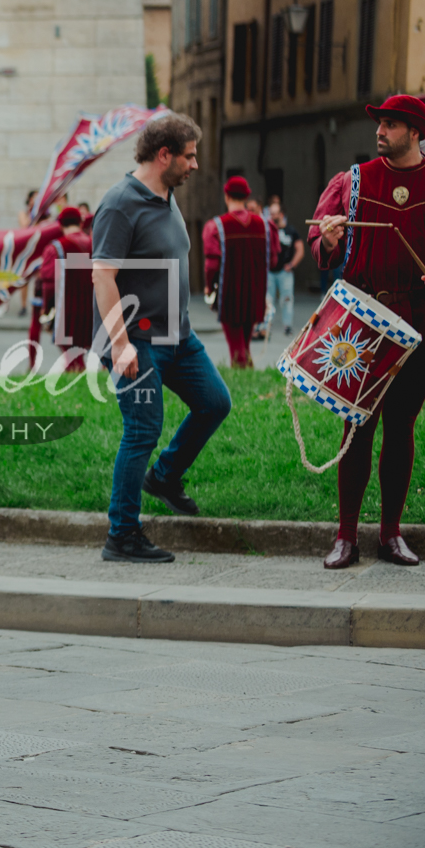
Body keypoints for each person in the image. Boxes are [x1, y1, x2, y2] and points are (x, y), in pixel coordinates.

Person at [92, 113, 230, 563]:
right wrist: (120, 343)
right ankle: (122, 534)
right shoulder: (119, 203)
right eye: (188, 156)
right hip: (137, 340)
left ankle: (166, 477)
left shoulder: (167, 194)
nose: (194, 165)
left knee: (215, 402)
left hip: (178, 337)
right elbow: (102, 276)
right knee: (142, 431)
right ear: (163, 154)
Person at [309, 94, 425, 570]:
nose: (380, 131)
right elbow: (318, 238)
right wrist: (327, 238)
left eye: (391, 124)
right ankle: (345, 537)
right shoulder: (353, 180)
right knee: (356, 426)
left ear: (416, 133)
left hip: (420, 324)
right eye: (380, 123)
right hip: (362, 322)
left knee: (400, 427)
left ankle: (390, 535)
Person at [202, 177, 275, 368]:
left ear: (226, 196)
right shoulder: (266, 226)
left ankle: (241, 383)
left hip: (230, 294)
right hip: (255, 293)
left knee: (237, 350)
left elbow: (211, 265)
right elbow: (273, 259)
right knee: (244, 346)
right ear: (246, 196)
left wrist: (209, 288)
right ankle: (249, 378)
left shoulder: (216, 226)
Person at [35, 206, 94, 371]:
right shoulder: (94, 245)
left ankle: (77, 383)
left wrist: (46, 309)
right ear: (81, 223)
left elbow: (49, 283)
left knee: (72, 357)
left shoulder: (55, 248)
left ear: (60, 224)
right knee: (80, 352)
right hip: (93, 307)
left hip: (67, 308)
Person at [268, 204, 304, 335]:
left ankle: (287, 326)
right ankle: (266, 327)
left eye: (274, 213)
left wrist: (292, 265)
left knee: (287, 299)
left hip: (285, 272)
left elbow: (300, 249)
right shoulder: (268, 230)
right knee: (267, 300)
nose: (272, 216)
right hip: (270, 271)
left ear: (281, 214)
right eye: (270, 213)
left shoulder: (291, 231)